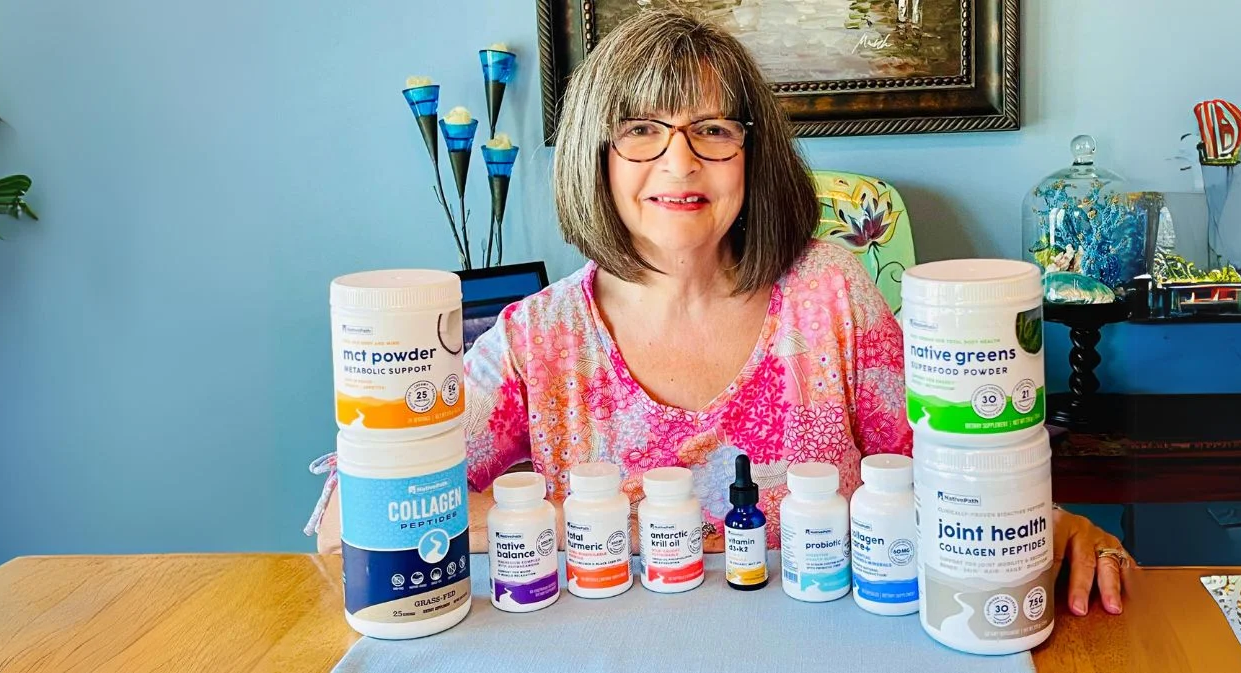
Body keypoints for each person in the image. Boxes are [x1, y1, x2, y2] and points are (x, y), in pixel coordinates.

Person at [309, 9, 1132, 616]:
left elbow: (946, 460)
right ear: (597, 154)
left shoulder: (831, 292)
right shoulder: (538, 338)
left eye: (710, 128)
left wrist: (1049, 524)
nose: (679, 160)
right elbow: (350, 523)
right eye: (640, 129)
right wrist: (555, 520)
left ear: (752, 150)